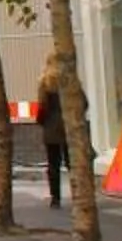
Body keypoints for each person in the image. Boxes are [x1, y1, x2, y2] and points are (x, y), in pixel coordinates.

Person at [36, 60, 84, 210]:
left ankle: (55, 198)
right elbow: (84, 103)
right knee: (73, 164)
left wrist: (42, 121)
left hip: (51, 129)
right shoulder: (71, 80)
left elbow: (42, 108)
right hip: (69, 126)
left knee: (53, 165)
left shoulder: (45, 83)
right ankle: (79, 195)